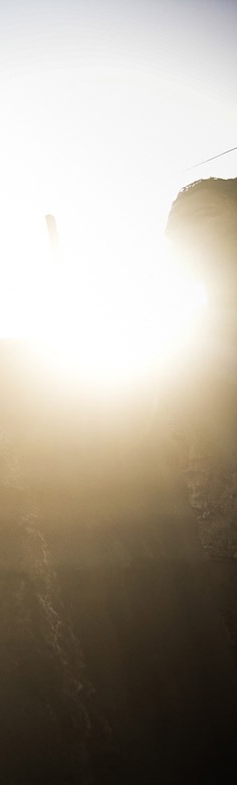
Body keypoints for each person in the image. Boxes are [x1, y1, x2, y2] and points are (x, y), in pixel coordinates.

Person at [165, 178, 237, 651]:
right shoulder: (184, 342)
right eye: (177, 232)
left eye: (204, 218)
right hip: (213, 547)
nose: (188, 237)